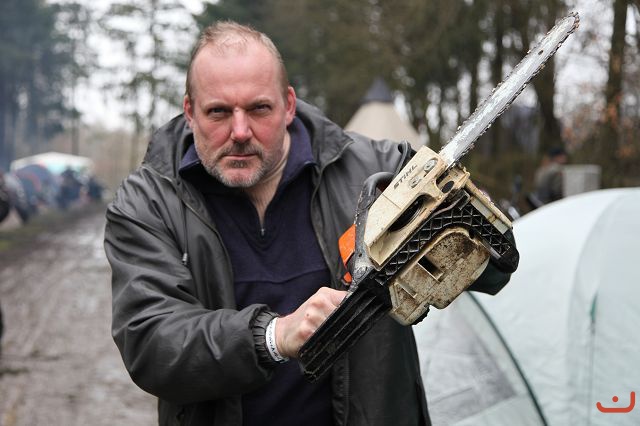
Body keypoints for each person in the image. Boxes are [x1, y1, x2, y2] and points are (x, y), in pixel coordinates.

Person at [104, 21, 513, 426]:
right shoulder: (148, 204)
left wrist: (460, 225)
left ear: (288, 105)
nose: (240, 131)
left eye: (259, 109)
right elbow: (152, 343)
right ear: (190, 111)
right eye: (219, 112)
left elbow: (497, 270)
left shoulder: (382, 172)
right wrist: (275, 336)